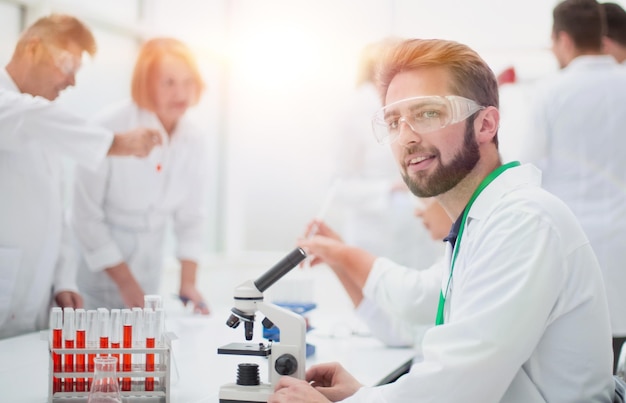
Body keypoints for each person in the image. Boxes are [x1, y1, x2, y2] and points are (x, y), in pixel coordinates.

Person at [269, 38, 615, 402]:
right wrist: (362, 394)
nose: (406, 137)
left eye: (428, 113)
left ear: (486, 125)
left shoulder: (524, 222)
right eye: (393, 122)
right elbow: (429, 326)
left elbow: (455, 389)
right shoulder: (479, 225)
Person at [0, 14, 161, 340]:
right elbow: (29, 117)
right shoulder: (19, 111)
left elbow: (55, 214)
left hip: (39, 299)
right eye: (67, 65)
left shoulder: (46, 124)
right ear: (33, 49)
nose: (71, 82)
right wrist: (116, 142)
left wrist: (64, 281)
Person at [72, 38, 211, 313]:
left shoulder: (195, 137)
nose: (180, 93)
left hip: (149, 272)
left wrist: (188, 283)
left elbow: (191, 218)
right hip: (98, 277)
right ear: (146, 84)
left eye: (187, 82)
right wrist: (125, 283)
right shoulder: (109, 126)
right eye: (168, 82)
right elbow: (85, 217)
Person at [527, 0, 626, 373]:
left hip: (571, 241)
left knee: (575, 358)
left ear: (563, 39)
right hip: (623, 240)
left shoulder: (550, 91)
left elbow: (530, 170)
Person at [329, 39, 442, 269]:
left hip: (416, 231)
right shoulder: (355, 109)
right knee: (379, 297)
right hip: (374, 237)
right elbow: (337, 186)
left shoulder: (411, 103)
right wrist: (389, 189)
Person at [301, 198, 451, 348]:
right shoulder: (452, 258)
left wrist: (343, 254)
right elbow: (399, 332)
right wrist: (337, 262)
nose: (417, 212)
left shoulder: (467, 256)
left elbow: (414, 297)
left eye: (425, 200)